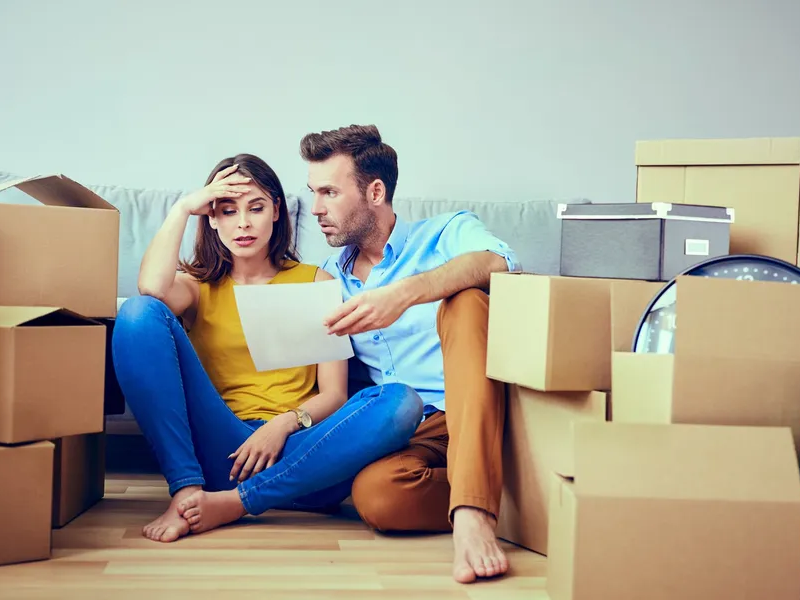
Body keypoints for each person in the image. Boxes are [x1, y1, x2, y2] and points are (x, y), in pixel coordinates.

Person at [111, 154, 424, 543]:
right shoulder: (195, 287)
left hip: (305, 455)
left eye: (255, 208)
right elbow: (152, 293)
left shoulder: (315, 280)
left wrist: (282, 425)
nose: (242, 223)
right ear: (211, 218)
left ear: (276, 211)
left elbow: (334, 394)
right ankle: (187, 492)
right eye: (227, 211)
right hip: (226, 454)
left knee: (401, 402)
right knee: (138, 314)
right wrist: (182, 208)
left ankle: (237, 503)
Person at [299, 125, 519, 584]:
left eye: (330, 192)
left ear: (375, 191)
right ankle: (512, 497)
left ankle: (474, 513)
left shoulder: (446, 233)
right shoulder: (327, 281)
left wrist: (403, 294)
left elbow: (498, 262)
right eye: (312, 192)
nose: (316, 208)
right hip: (415, 431)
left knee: (466, 298)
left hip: (479, 406)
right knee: (376, 496)